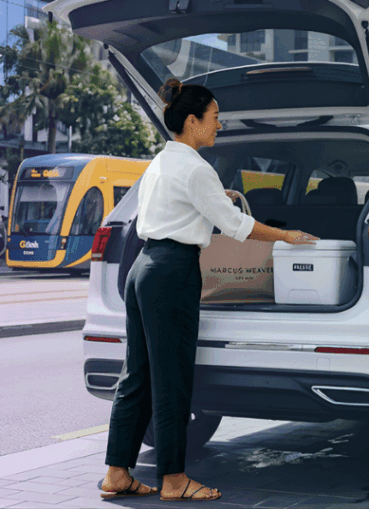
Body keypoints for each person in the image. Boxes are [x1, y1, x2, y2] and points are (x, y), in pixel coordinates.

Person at [100, 79, 319, 501]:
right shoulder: (197, 169)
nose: (220, 124)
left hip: (143, 268)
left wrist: (225, 201)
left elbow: (182, 210)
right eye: (215, 117)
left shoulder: (161, 162)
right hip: (172, 273)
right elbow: (237, 226)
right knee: (172, 380)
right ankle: (175, 480)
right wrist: (285, 236)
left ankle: (116, 472)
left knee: (137, 376)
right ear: (192, 120)